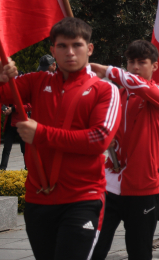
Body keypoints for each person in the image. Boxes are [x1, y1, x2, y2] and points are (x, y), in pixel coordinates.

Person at [0, 17, 120, 260]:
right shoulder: (36, 81)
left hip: (82, 198)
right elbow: (3, 94)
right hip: (38, 197)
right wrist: (2, 77)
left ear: (90, 48)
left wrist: (41, 134)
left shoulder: (105, 90)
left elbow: (99, 140)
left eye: (77, 45)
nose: (70, 52)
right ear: (52, 50)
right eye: (62, 46)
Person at [90, 40, 159, 260]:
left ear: (154, 66)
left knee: (139, 252)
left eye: (141, 62)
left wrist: (106, 70)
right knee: (94, 248)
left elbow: (142, 86)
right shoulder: (118, 95)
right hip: (109, 186)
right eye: (131, 62)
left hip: (142, 187)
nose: (135, 67)